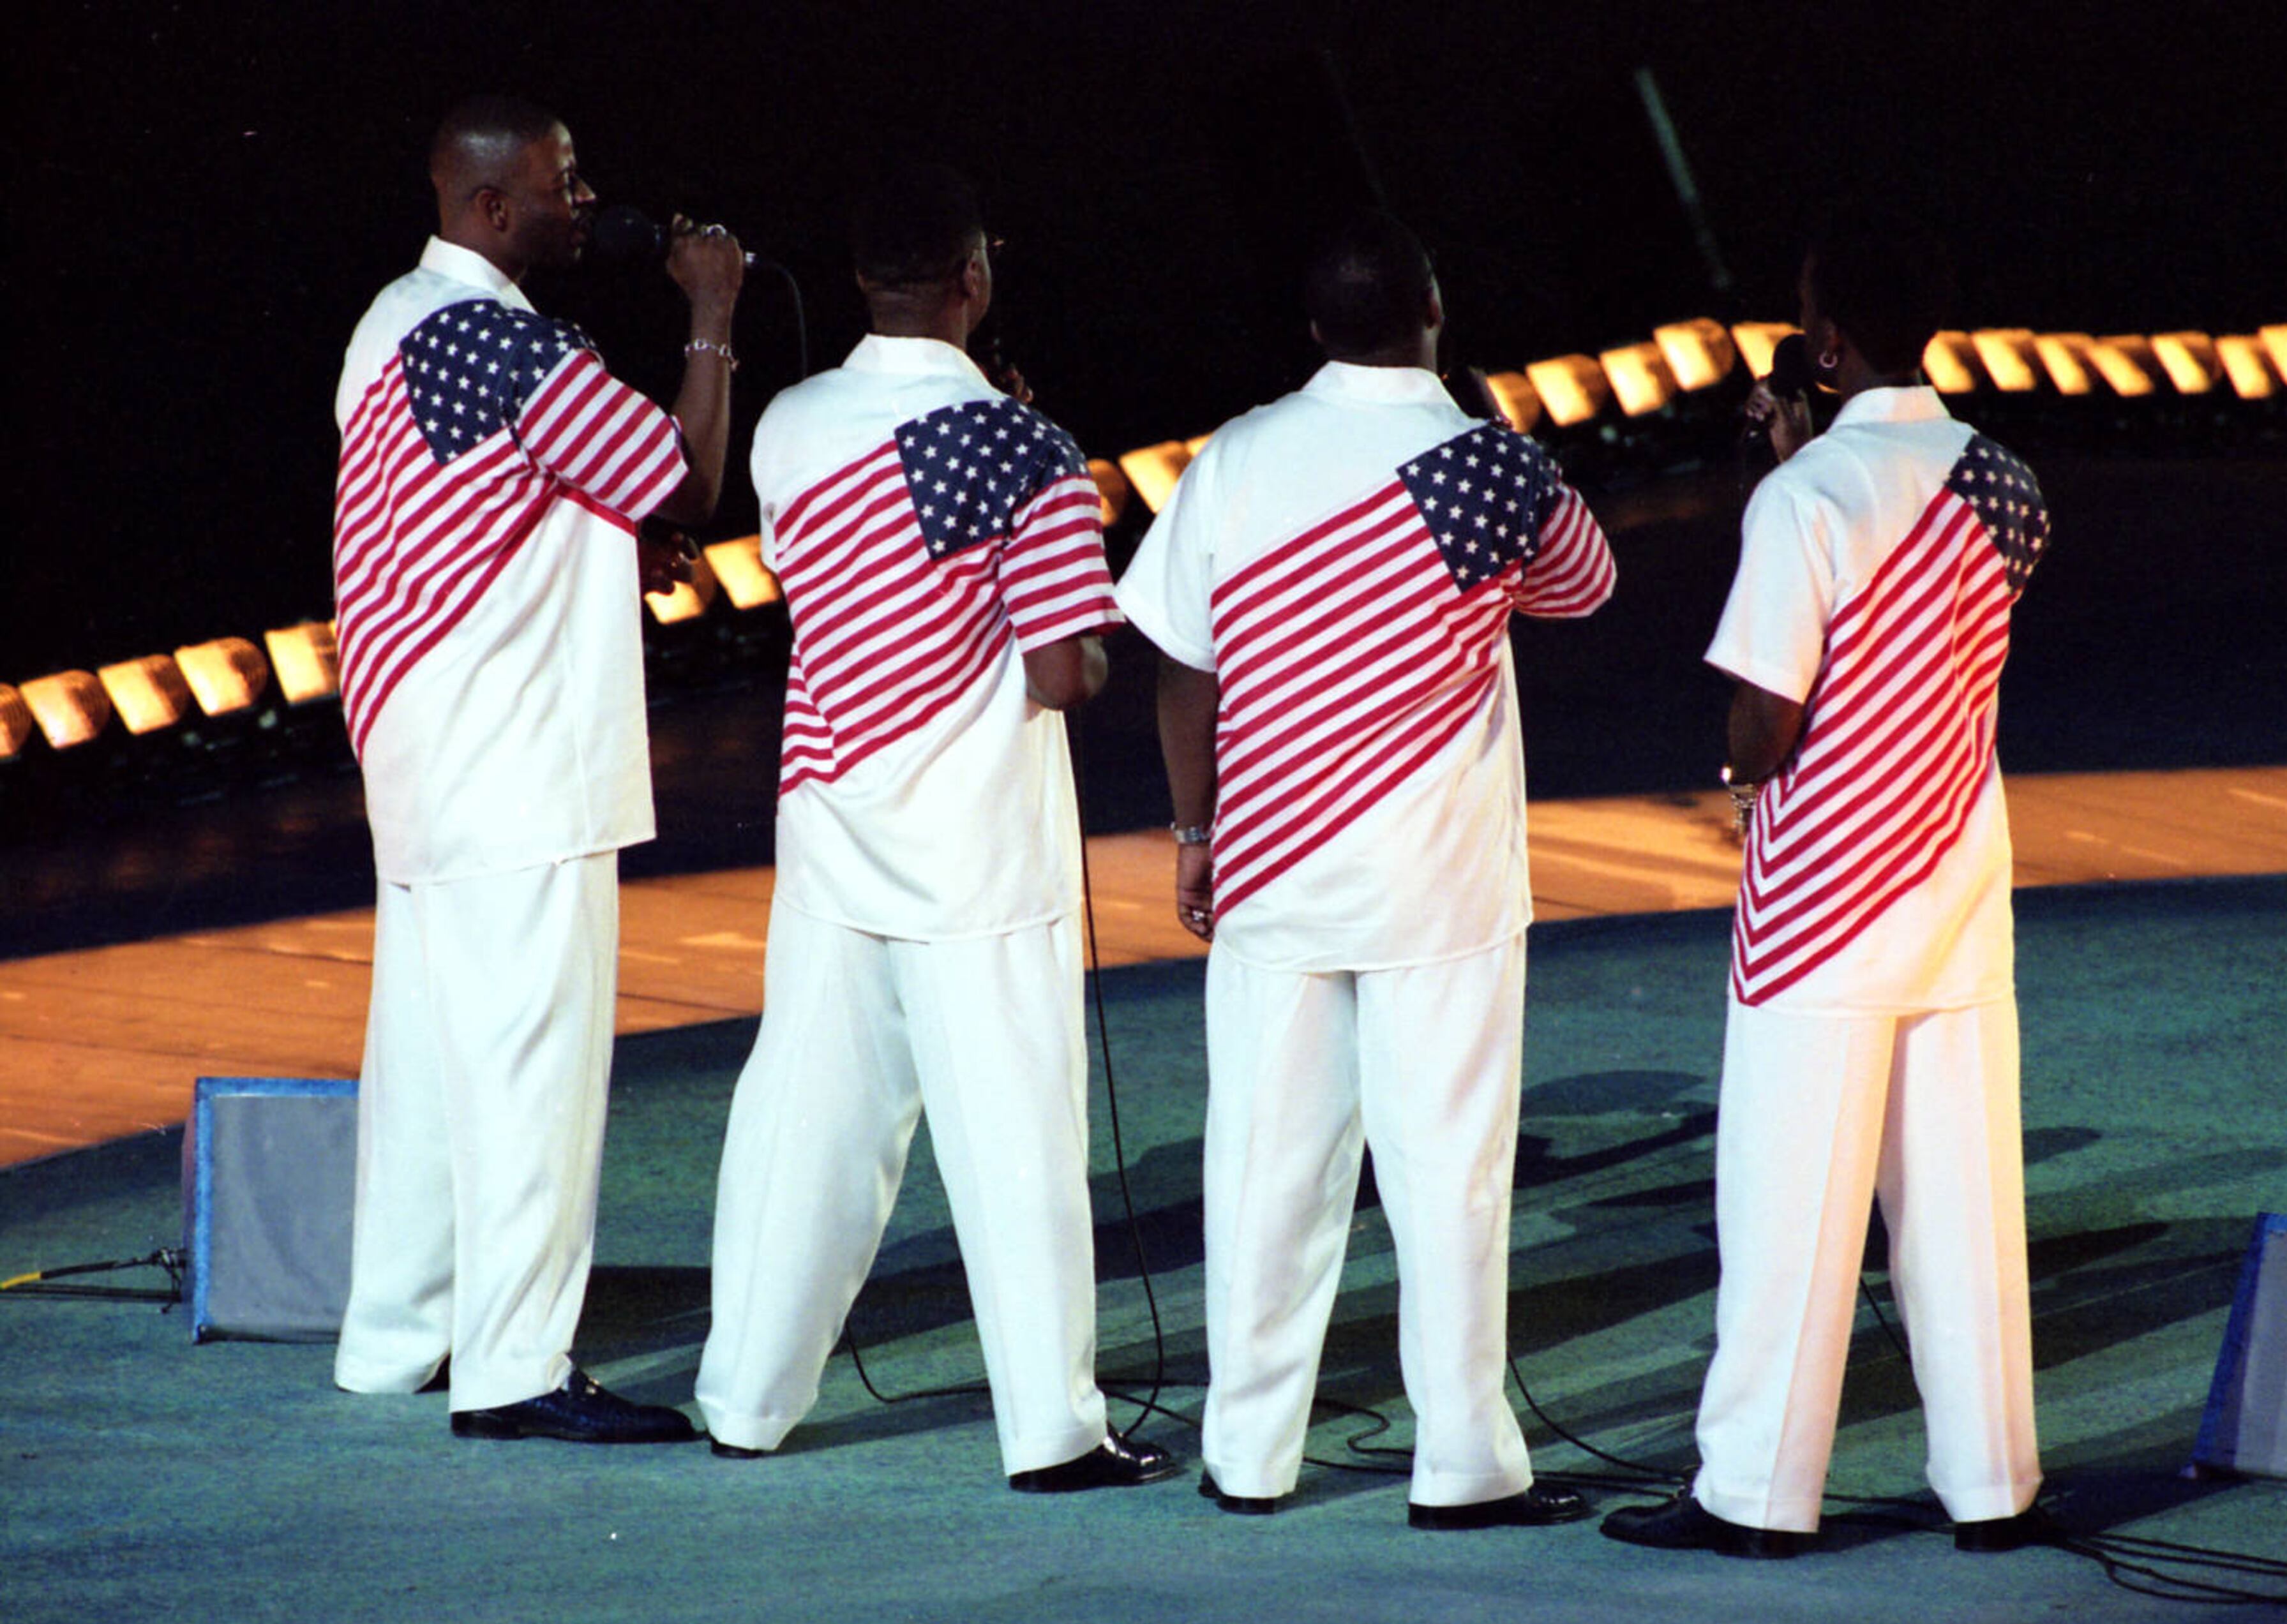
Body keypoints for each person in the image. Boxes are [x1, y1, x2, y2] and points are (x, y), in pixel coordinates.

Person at [1114, 211, 1617, 1526]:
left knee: (1266, 1167)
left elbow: (1182, 656)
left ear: (1313, 325)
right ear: (1435, 314)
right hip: (1435, 879)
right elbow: (1586, 583)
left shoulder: (1237, 454)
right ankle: (1462, 1464)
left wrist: (1194, 829)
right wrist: (1491, 430)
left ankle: (1249, 1453)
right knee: (1448, 1173)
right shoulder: (1478, 464)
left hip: (1272, 870)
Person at [691, 163, 1176, 1494]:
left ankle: (745, 1396)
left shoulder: (791, 421)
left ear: (862, 282)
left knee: (806, 1119)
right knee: (1014, 1135)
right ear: (974, 278)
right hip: (978, 844)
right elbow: (1063, 669)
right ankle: (1053, 1429)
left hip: (837, 824)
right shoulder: (1023, 448)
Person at [1601, 205, 2051, 1559]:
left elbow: (1763, 719)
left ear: (1828, 339)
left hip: (1820, 905)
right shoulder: (2010, 483)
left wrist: (1782, 483)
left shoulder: (1801, 500)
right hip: (1960, 883)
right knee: (1964, 1213)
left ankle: (1756, 1492)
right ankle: (1995, 1485)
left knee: (1792, 1204)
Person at [329, 96, 744, 1441]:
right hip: (519, 751)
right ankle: (515, 1364)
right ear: (493, 207)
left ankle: (399, 1332)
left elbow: (474, 511)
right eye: (563, 184)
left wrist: (593, 544)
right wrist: (710, 315)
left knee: (428, 1064)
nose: (586, 200)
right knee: (531, 1068)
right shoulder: (508, 344)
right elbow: (681, 476)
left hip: (420, 740)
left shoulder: (390, 321)